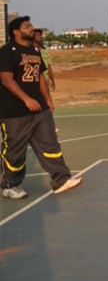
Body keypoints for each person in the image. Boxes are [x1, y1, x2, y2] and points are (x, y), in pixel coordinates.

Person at [0, 16, 83, 199]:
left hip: (40, 109)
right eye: (27, 26)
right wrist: (26, 99)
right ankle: (9, 185)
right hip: (14, 112)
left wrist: (48, 100)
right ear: (16, 31)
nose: (32, 29)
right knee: (15, 150)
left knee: (50, 144)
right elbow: (6, 79)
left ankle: (61, 179)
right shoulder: (7, 51)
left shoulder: (34, 51)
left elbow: (39, 78)